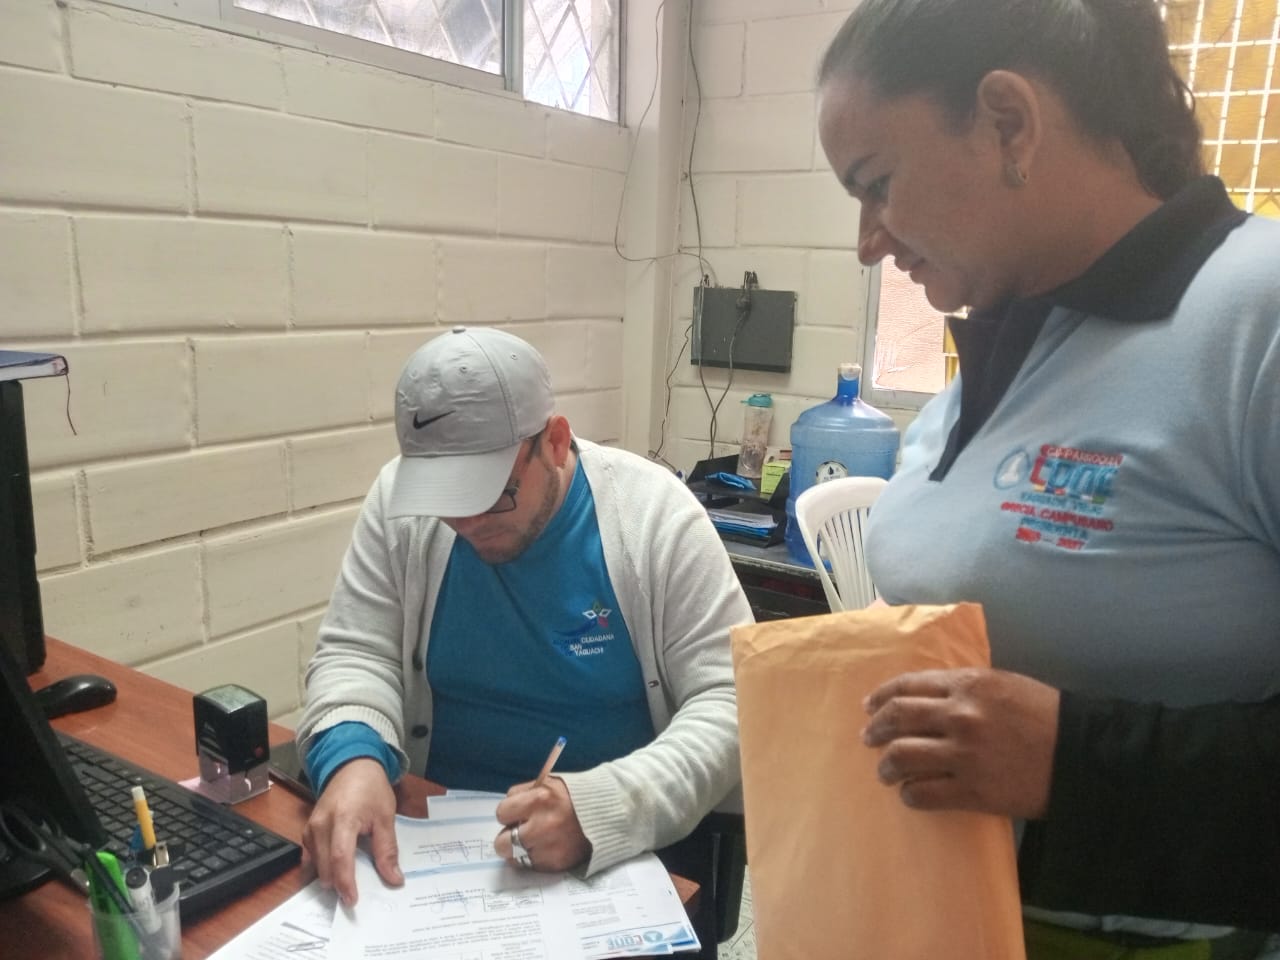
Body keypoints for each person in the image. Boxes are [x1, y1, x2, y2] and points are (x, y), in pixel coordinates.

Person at [816, 0, 1280, 956]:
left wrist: (1073, 762)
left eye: (878, 184)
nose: (869, 241)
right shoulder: (1008, 339)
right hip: (935, 913)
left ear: (1008, 122)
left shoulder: (1255, 316)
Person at [295, 326, 749, 919]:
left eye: (493, 494)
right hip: (432, 856)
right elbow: (357, 653)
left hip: (613, 861)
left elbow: (732, 702)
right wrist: (352, 757)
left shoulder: (656, 519)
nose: (465, 522)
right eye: (445, 498)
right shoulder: (400, 507)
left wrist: (601, 809)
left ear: (554, 442)